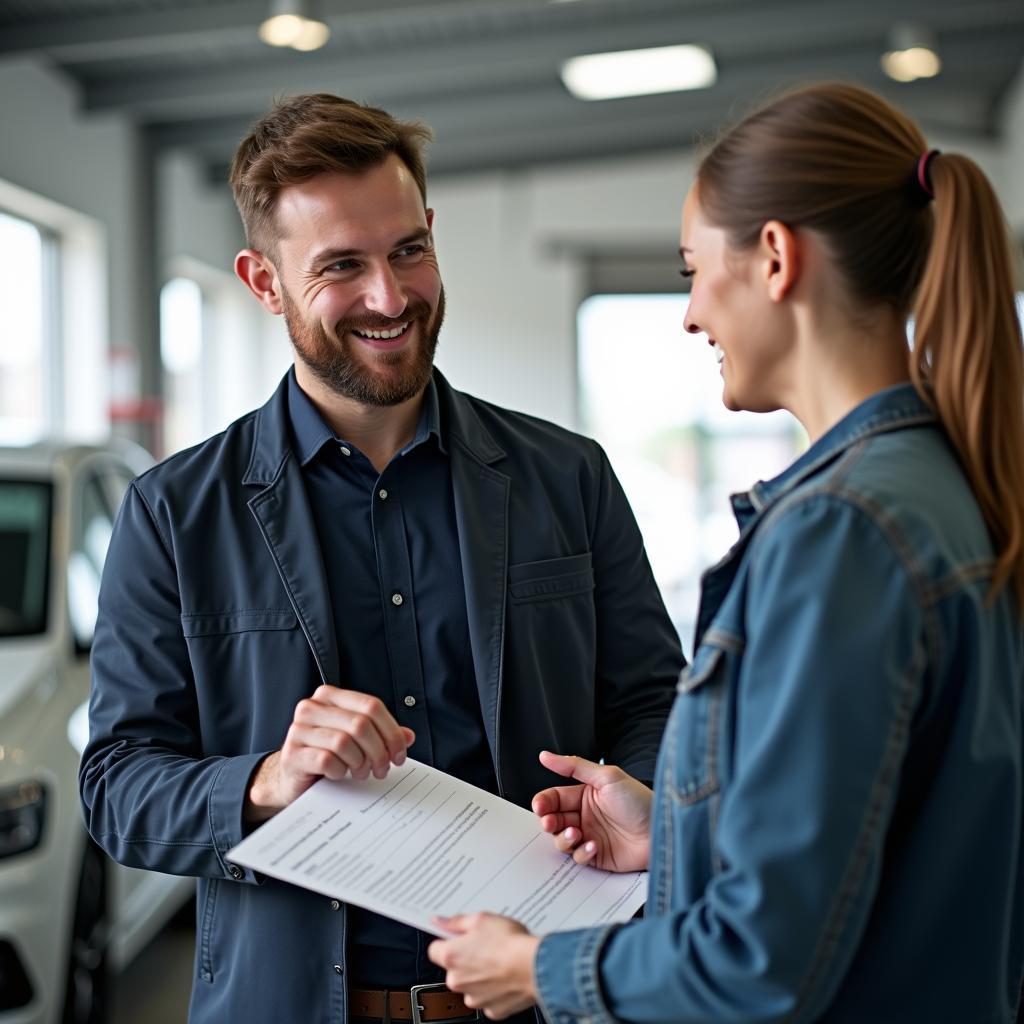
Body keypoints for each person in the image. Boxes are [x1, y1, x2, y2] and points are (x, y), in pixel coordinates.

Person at [425, 82, 1024, 1023]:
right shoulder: (942, 487)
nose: (691, 313)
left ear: (777, 258)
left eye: (693, 271)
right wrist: (676, 832)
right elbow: (881, 836)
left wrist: (542, 968)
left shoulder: (844, 534)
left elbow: (764, 956)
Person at [79, 94, 684, 1024]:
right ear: (263, 281)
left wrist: (642, 797)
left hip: (536, 999)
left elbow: (652, 699)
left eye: (408, 251)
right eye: (341, 267)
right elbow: (118, 787)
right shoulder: (172, 514)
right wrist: (264, 781)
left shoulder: (568, 476)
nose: (390, 297)